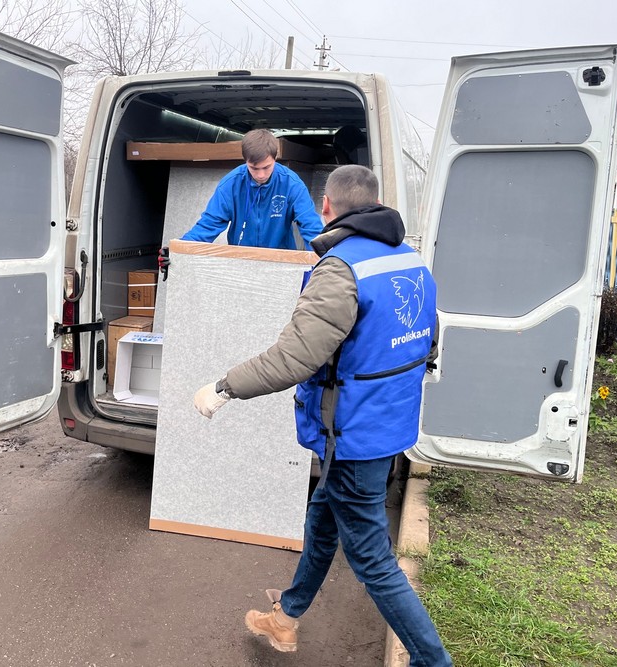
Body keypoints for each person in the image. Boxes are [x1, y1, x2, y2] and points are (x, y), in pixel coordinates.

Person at [192, 165, 452, 666]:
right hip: (388, 423)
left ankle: (432, 661)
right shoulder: (409, 258)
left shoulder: (341, 269)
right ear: (375, 202)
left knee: (374, 562)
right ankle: (286, 619)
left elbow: (295, 357)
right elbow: (429, 338)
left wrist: (224, 388)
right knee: (323, 518)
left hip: (352, 435)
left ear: (327, 207)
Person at [180, 129, 322, 250]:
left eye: (266, 167)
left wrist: (322, 258)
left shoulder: (292, 184)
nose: (261, 175)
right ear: (245, 161)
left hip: (281, 262)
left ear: (275, 158)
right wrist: (179, 250)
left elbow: (310, 225)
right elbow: (208, 225)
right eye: (254, 168)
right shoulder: (231, 184)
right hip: (241, 261)